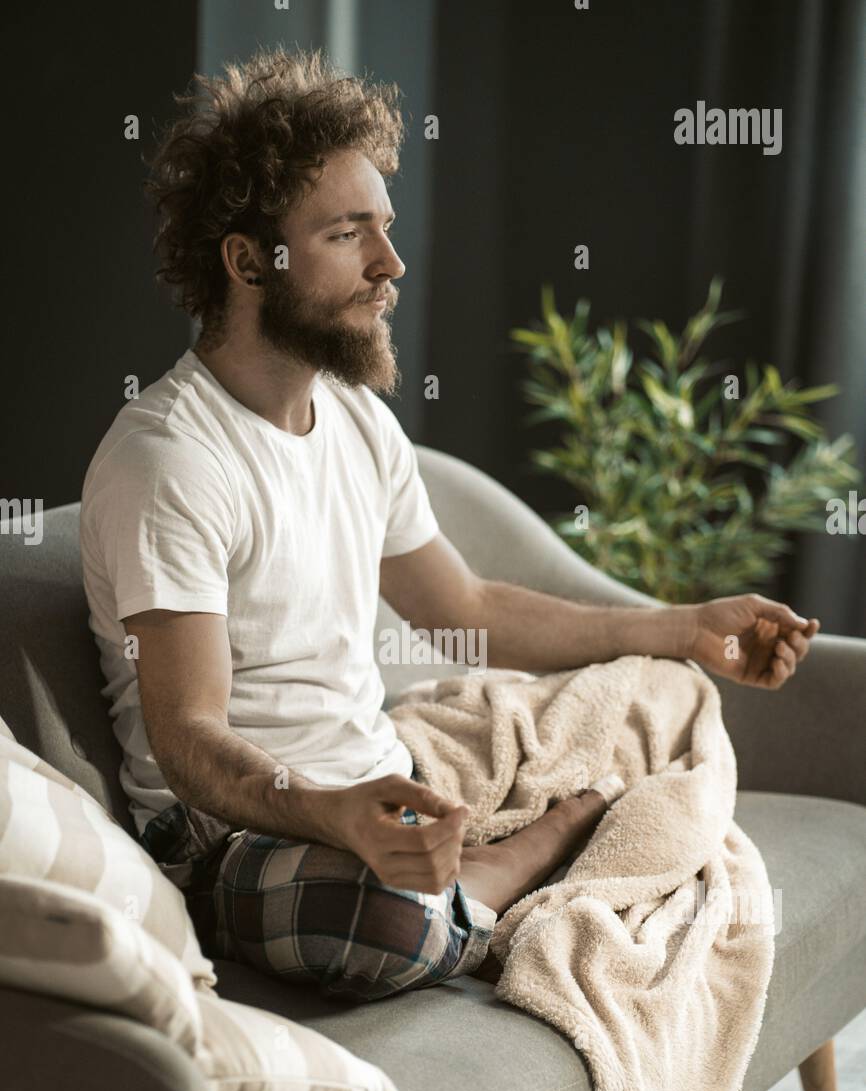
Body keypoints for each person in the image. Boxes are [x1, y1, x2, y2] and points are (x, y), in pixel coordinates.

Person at [79, 46, 819, 1001]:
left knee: (667, 697)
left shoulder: (356, 420)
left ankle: (475, 873)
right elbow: (186, 737)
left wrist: (683, 626)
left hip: (385, 769)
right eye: (349, 236)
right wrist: (335, 813)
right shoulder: (170, 457)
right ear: (245, 261)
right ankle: (521, 862)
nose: (391, 266)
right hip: (235, 835)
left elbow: (464, 605)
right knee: (382, 919)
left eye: (384, 230)